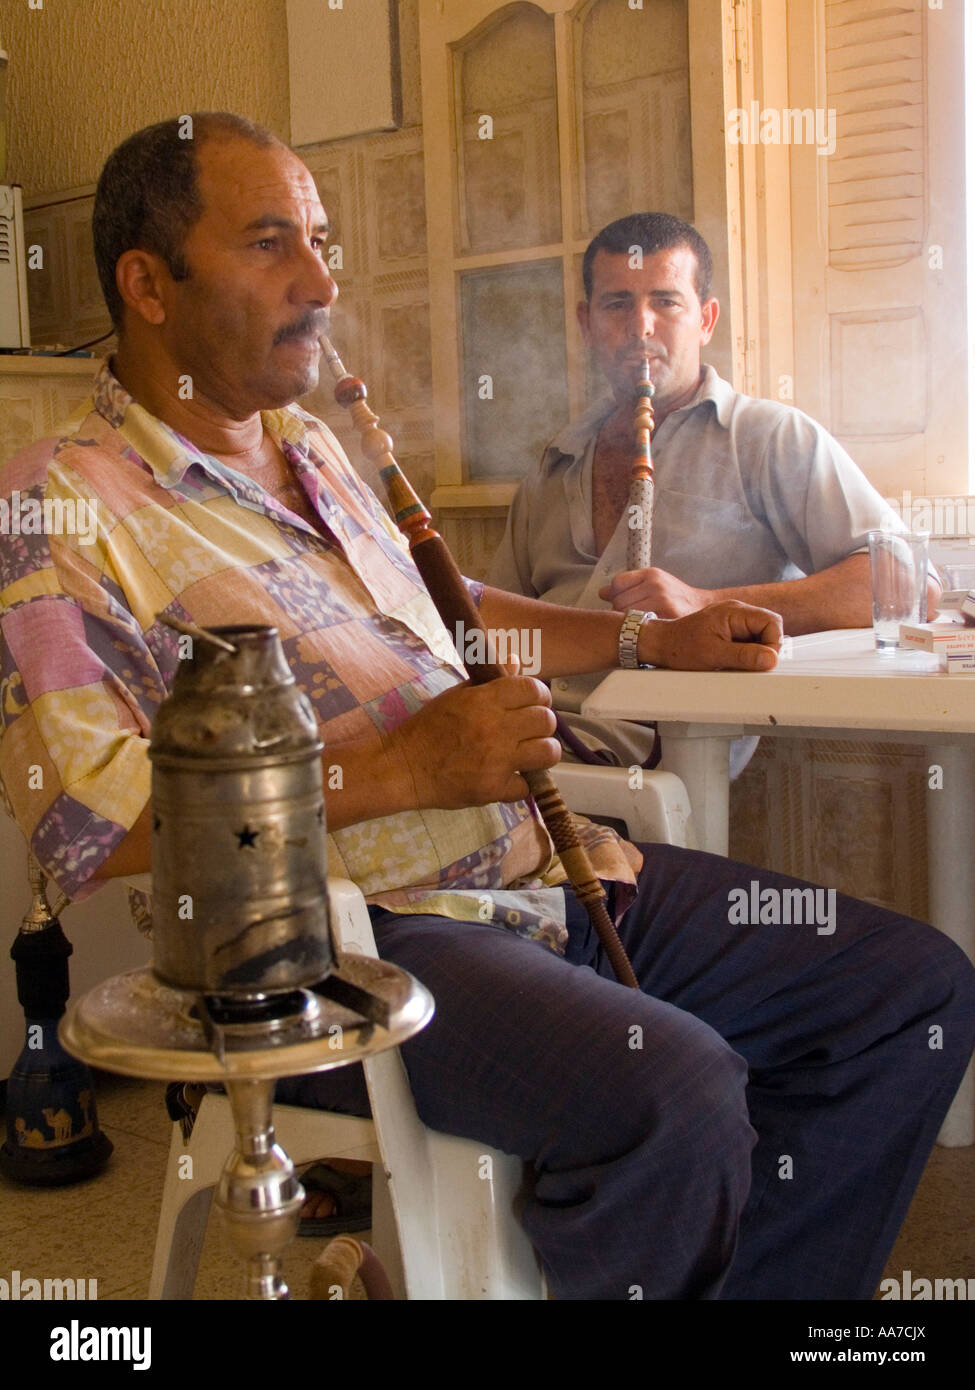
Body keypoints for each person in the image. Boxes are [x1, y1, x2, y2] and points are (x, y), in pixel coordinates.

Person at [1, 116, 972, 1301]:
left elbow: (457, 607)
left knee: (906, 988)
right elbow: (90, 823)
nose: (323, 281)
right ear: (146, 284)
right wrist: (404, 769)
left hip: (542, 874)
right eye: (271, 246)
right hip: (346, 942)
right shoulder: (57, 507)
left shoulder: (307, 447)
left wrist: (642, 636)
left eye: (322, 239)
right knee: (680, 1094)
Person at [487, 212, 941, 767]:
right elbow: (488, 626)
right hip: (532, 727)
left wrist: (704, 604)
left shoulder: (767, 438)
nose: (641, 327)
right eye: (616, 304)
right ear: (586, 322)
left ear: (706, 318)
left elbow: (908, 584)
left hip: (664, 744)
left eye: (666, 302)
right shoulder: (553, 464)